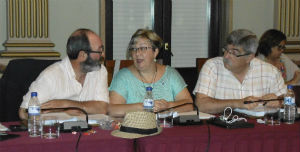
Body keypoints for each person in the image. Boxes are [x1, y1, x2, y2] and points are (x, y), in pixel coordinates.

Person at [19, 28, 109, 120]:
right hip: (56, 132)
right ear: (82, 55)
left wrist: (68, 104)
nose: (103, 55)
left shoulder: (100, 71)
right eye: (99, 51)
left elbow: (103, 108)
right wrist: (60, 112)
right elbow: (24, 112)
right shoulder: (50, 76)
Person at [193, 29, 287, 114]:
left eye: (234, 53)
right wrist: (238, 103)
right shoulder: (212, 67)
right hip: (222, 128)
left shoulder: (270, 72)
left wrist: (279, 101)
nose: (226, 56)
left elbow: (287, 100)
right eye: (226, 50)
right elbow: (201, 105)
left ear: (249, 57)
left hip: (260, 128)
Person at [108, 29, 193, 117]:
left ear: (155, 52)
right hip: (135, 129)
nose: (137, 53)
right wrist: (143, 107)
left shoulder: (170, 74)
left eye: (143, 48)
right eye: (134, 49)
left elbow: (189, 105)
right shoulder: (123, 76)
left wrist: (168, 106)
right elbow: (111, 110)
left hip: (168, 127)